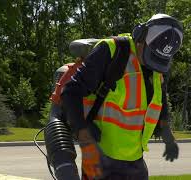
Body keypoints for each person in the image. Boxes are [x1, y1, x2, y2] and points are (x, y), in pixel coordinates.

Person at [57, 13, 183, 180]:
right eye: (151, 55)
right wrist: (85, 139)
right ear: (140, 36)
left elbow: (160, 102)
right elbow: (71, 92)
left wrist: (167, 136)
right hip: (101, 158)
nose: (152, 64)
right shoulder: (113, 52)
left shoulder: (157, 68)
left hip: (135, 160)